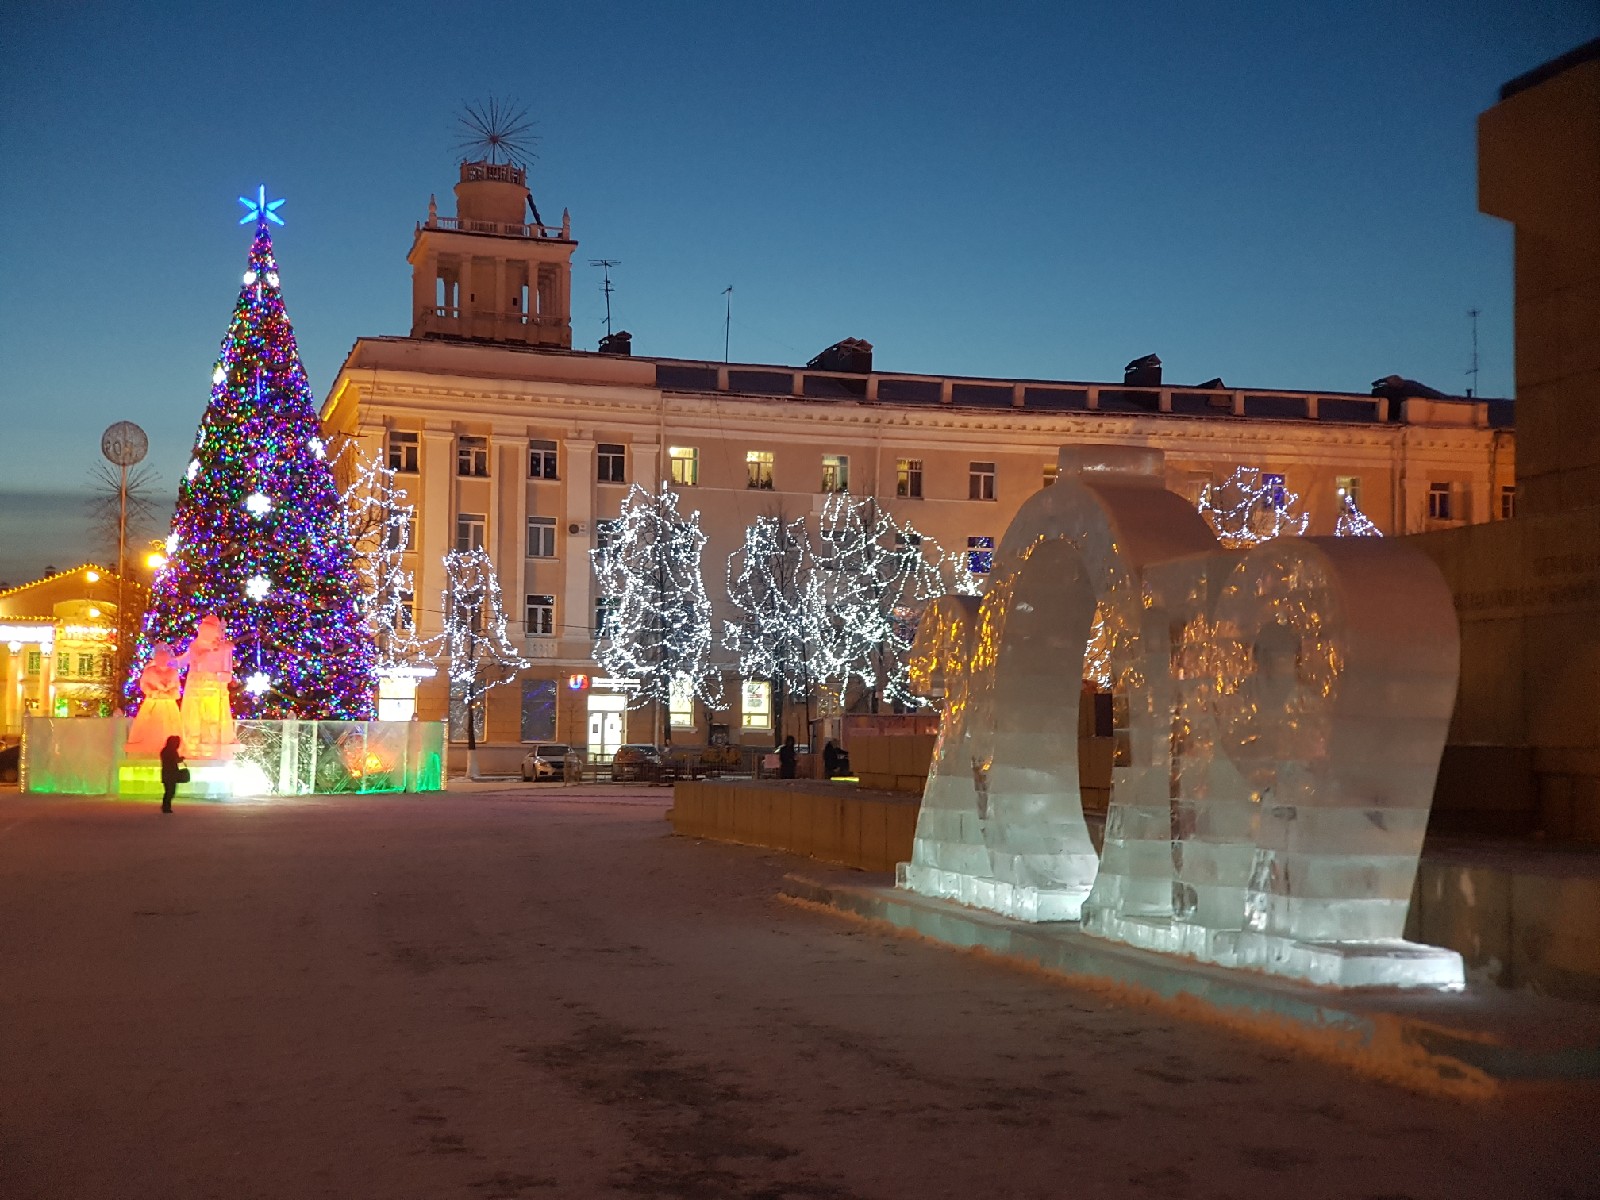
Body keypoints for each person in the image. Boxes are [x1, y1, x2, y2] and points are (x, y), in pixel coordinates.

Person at [176, 614, 236, 758]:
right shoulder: (195, 646)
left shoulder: (224, 649)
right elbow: (184, 660)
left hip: (214, 687)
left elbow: (228, 672)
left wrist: (222, 677)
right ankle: (192, 743)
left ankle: (211, 745)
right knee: (194, 715)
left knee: (212, 716)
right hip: (196, 685)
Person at [125, 643, 184, 754]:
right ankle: (148, 745)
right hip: (153, 704)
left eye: (164, 658)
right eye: (160, 658)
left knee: (170, 726)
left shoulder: (173, 672)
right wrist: (152, 692)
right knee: (151, 726)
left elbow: (177, 687)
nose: (162, 660)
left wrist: (171, 692)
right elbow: (144, 685)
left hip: (168, 705)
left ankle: (171, 746)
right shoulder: (150, 671)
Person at [158, 736, 184, 814]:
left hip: (166, 772)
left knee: (168, 790)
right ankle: (166, 806)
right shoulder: (172, 751)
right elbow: (175, 760)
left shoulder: (164, 751)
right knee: (170, 791)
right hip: (171, 773)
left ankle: (165, 806)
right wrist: (181, 759)